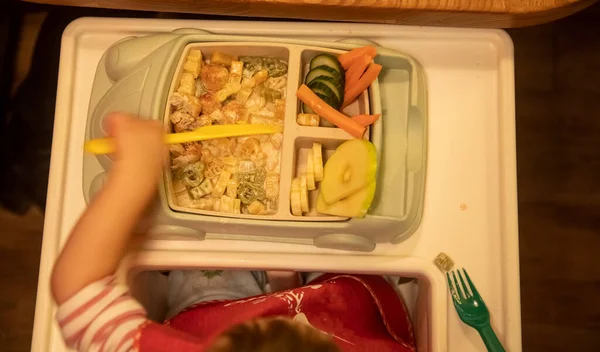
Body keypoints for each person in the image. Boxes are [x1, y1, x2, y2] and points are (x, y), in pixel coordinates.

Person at [51, 113, 416, 352]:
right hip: (349, 322)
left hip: (208, 316)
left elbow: (76, 287)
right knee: (354, 260)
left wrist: (136, 172)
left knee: (204, 282)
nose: (272, 319)